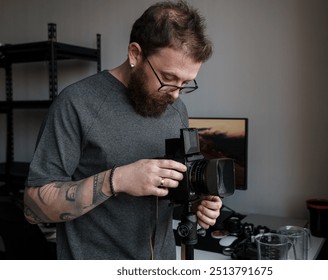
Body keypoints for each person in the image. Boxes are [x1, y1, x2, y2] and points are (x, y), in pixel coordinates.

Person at [23, 0, 222, 260]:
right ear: (135, 54)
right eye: (168, 79)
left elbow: (169, 188)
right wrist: (117, 180)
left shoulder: (177, 109)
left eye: (185, 83)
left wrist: (197, 203)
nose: (175, 95)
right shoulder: (77, 103)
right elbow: (33, 208)